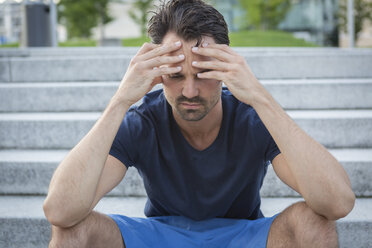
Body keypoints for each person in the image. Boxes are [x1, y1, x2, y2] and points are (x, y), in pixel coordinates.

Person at [43, 0, 355, 247]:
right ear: (158, 72)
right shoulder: (142, 122)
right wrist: (120, 100)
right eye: (176, 76)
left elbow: (337, 203)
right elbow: (60, 211)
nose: (190, 92)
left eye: (203, 75)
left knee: (314, 224)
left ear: (224, 69)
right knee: (73, 232)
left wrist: (259, 96)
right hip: (161, 236)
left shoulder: (253, 119)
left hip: (243, 236)